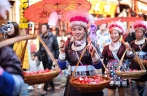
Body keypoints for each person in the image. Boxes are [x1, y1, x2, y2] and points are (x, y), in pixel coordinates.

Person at [58, 10, 103, 96]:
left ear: (85, 30)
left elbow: (99, 66)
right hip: (73, 83)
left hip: (90, 81)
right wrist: (62, 51)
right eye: (74, 29)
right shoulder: (68, 45)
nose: (77, 32)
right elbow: (62, 67)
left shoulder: (91, 44)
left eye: (80, 29)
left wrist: (93, 55)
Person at [102, 21, 133, 96]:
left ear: (120, 35)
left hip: (121, 70)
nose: (113, 35)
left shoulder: (124, 46)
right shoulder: (106, 47)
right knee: (110, 93)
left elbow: (130, 57)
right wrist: (105, 70)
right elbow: (102, 59)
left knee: (121, 93)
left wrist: (128, 50)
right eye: (111, 33)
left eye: (115, 33)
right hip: (110, 71)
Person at [37, 24, 59, 95]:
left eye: (44, 27)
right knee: (48, 72)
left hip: (50, 57)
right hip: (43, 57)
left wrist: (56, 58)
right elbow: (40, 47)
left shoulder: (53, 37)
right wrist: (38, 55)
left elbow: (56, 48)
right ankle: (52, 86)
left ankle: (44, 89)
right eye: (42, 27)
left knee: (46, 73)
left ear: (47, 29)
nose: (42, 29)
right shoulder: (40, 36)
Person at [129, 21, 147, 96]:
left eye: (140, 32)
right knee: (137, 82)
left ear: (143, 33)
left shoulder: (146, 42)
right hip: (135, 65)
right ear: (135, 33)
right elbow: (129, 56)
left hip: (144, 65)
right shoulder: (132, 43)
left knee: (142, 82)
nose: (139, 33)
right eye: (137, 32)